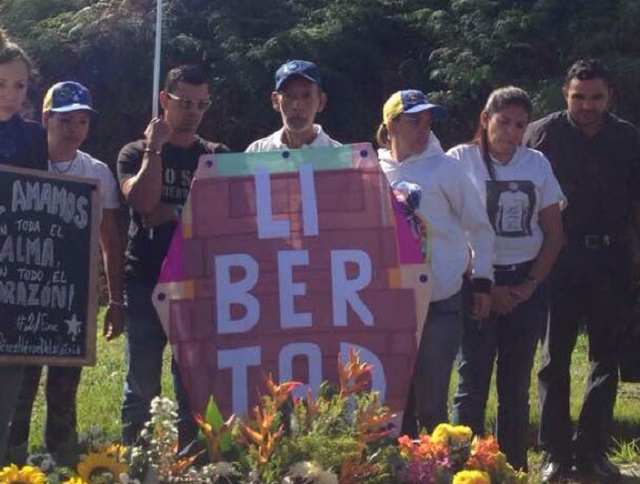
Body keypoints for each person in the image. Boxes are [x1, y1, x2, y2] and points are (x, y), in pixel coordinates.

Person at [525, 59, 640, 482]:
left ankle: (592, 452)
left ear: (610, 95)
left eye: (596, 97)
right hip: (558, 259)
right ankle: (555, 453)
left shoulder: (628, 138)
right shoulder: (542, 134)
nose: (587, 105)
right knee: (554, 359)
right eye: (579, 96)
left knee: (605, 359)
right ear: (565, 94)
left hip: (612, 259)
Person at [5, 81, 124, 465]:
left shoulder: (98, 173)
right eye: (64, 120)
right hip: (20, 296)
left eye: (82, 122)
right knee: (19, 386)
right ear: (45, 119)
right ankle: (11, 459)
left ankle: (64, 461)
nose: (73, 129)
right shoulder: (19, 160)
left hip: (70, 298)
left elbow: (110, 241)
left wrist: (116, 300)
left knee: (64, 387)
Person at [447, 86, 565, 471]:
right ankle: (461, 467)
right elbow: (449, 231)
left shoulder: (536, 164)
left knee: (515, 387)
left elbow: (554, 233)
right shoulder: (458, 160)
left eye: (520, 125)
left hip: (526, 285)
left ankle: (510, 468)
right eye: (504, 122)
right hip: (476, 283)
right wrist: (487, 284)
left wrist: (528, 285)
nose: (512, 132)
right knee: (472, 383)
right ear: (485, 119)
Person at [117, 64, 229, 449]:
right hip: (146, 281)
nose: (195, 112)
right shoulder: (134, 152)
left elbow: (225, 220)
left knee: (195, 386)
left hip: (197, 286)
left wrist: (177, 212)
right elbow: (145, 202)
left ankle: (192, 465)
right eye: (185, 103)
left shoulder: (216, 156)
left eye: (202, 104)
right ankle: (136, 463)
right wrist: (154, 147)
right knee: (141, 386)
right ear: (164, 100)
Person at [376, 89, 495, 435]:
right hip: (389, 302)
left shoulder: (447, 169)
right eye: (414, 121)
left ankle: (439, 469)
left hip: (440, 300)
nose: (423, 129)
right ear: (391, 124)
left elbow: (479, 227)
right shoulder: (370, 168)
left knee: (431, 404)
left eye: (428, 122)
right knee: (392, 404)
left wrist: (483, 281)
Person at [0, 28, 48, 464]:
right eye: (1, 83)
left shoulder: (34, 138)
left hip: (15, 287)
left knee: (6, 398)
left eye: (19, 85)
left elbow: (42, 212)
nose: (11, 95)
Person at [245, 60, 340, 152]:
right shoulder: (257, 153)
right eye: (289, 96)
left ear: (321, 102)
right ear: (276, 101)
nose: (297, 105)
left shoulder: (341, 158)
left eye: (306, 96)